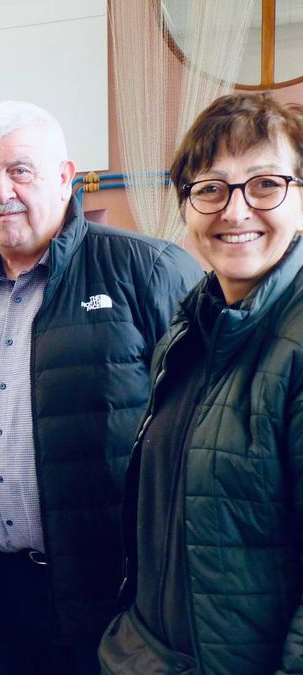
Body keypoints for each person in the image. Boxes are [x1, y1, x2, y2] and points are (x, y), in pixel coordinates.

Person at [0, 100, 202, 674]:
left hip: (113, 591)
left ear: (64, 178)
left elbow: (207, 434)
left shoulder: (149, 270)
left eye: (19, 170)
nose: (1, 191)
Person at [99, 93, 303, 675]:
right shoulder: (191, 328)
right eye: (211, 189)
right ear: (187, 207)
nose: (235, 211)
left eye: (265, 184)